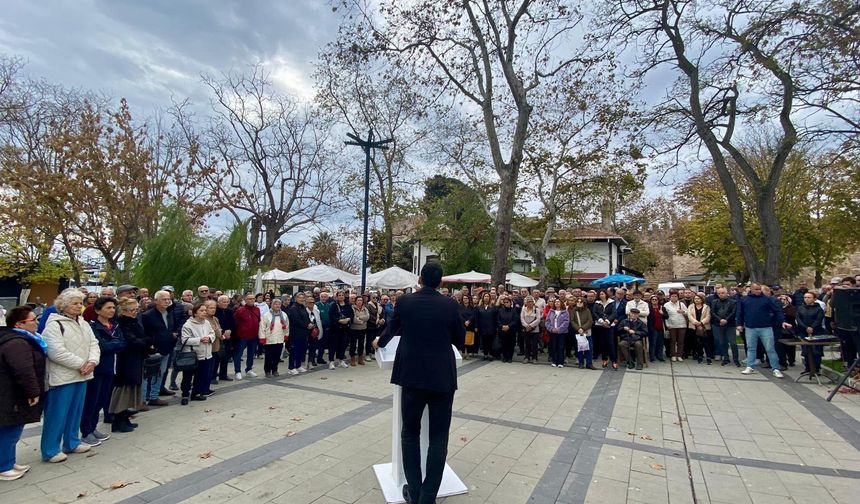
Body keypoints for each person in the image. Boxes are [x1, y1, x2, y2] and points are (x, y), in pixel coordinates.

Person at [372, 262, 465, 504]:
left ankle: (414, 491)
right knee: (439, 436)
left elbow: (392, 329)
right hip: (442, 376)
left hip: (412, 374)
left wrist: (379, 342)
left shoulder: (405, 302)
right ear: (441, 282)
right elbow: (459, 339)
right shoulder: (450, 305)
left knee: (410, 432)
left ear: (420, 280)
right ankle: (427, 497)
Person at [41, 289, 100, 462]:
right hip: (63, 377)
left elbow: (94, 343)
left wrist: (92, 361)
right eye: (74, 303)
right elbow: (56, 352)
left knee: (75, 412)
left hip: (82, 375)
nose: (78, 306)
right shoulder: (54, 325)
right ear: (64, 305)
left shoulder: (83, 323)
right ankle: (50, 450)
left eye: (80, 303)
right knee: (57, 414)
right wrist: (82, 364)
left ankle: (72, 442)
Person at [0, 306, 46, 481]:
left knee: (14, 427)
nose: (37, 323)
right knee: (9, 429)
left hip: (13, 392)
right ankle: (3, 466)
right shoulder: (17, 342)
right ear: (19, 324)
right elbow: (24, 370)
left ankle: (10, 461)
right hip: (12, 393)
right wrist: (33, 391)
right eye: (33, 320)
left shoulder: (23, 339)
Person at [81, 296, 125, 446]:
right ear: (98, 310)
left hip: (111, 368)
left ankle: (93, 428)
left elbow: (122, 343)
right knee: (91, 401)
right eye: (108, 308)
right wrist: (114, 344)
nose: (112, 310)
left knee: (102, 400)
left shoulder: (115, 325)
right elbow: (102, 346)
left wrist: (114, 344)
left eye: (113, 308)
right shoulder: (92, 327)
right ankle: (86, 431)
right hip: (98, 368)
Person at [110, 298, 150, 433]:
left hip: (136, 358)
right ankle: (118, 420)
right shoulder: (121, 324)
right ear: (123, 311)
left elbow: (142, 338)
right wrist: (146, 341)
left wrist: (145, 341)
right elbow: (133, 342)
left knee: (132, 388)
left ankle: (125, 418)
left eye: (136, 309)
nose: (135, 312)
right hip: (125, 361)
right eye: (132, 310)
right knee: (124, 390)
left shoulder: (134, 321)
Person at [737, 283, 788, 378]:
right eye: (756, 289)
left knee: (770, 349)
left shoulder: (767, 299)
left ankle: (775, 368)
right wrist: (739, 324)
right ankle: (750, 366)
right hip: (750, 327)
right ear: (751, 289)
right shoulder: (744, 300)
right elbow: (740, 312)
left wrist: (782, 321)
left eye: (759, 289)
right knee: (751, 348)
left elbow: (778, 310)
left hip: (766, 327)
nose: (759, 291)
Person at [140, 290, 175, 407]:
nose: (167, 301)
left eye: (168, 299)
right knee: (147, 375)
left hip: (166, 348)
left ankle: (154, 397)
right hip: (153, 350)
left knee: (160, 373)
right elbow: (144, 332)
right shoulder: (147, 316)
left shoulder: (169, 313)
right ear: (156, 301)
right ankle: (142, 399)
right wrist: (151, 343)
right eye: (164, 299)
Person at [178, 303, 215, 405]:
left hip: (206, 354)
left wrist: (209, 338)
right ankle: (185, 395)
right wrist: (199, 339)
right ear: (195, 313)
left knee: (200, 375)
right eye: (201, 311)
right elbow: (185, 340)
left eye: (205, 310)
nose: (204, 312)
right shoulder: (188, 325)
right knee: (187, 376)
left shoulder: (207, 323)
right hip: (192, 355)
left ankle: (196, 393)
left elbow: (212, 333)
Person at [795, 292, 826, 373]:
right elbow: (798, 319)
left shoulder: (818, 309)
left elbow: (819, 319)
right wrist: (806, 327)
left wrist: (812, 327)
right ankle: (807, 368)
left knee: (816, 351)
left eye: (809, 297)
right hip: (803, 331)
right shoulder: (801, 308)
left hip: (816, 331)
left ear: (814, 299)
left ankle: (816, 368)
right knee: (806, 350)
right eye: (805, 297)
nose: (806, 299)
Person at [233, 293, 261, 380]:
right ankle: (237, 371)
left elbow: (259, 320)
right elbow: (235, 322)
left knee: (251, 353)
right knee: (238, 354)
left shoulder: (257, 309)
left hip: (254, 336)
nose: (252, 300)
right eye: (250, 299)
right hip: (243, 336)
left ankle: (249, 369)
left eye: (253, 299)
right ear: (245, 300)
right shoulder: (240, 310)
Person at [710, 288, 739, 367]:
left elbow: (733, 312)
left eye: (722, 293)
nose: (721, 295)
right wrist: (720, 320)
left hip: (730, 325)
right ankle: (726, 359)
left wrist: (726, 320)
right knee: (722, 342)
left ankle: (736, 360)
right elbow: (713, 312)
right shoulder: (715, 302)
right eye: (719, 293)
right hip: (719, 324)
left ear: (727, 293)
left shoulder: (733, 302)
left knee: (733, 343)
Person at [259, 298, 289, 377]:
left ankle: (275, 370)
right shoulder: (266, 315)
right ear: (271, 305)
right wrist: (262, 338)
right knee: (268, 356)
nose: (277, 306)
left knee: (277, 356)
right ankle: (267, 371)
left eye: (279, 304)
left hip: (280, 338)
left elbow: (287, 326)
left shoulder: (284, 315)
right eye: (275, 304)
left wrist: (286, 335)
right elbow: (262, 327)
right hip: (269, 339)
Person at [287, 293, 313, 375]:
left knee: (301, 350)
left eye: (303, 298)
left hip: (304, 333)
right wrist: (306, 325)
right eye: (299, 298)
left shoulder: (303, 307)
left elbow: (307, 317)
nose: (301, 299)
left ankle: (298, 366)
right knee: (294, 351)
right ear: (295, 298)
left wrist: (310, 323)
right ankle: (291, 367)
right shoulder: (293, 308)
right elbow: (296, 320)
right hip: (295, 333)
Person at [328, 291, 353, 369]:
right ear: (337, 296)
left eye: (342, 295)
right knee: (333, 345)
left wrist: (348, 319)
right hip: (335, 329)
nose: (341, 296)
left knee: (342, 345)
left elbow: (352, 314)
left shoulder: (348, 305)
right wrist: (339, 320)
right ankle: (331, 361)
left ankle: (341, 360)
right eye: (339, 295)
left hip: (345, 329)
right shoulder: (333, 305)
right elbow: (331, 315)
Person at [213, 295, 235, 383]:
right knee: (217, 357)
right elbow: (215, 324)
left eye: (227, 302)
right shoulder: (215, 311)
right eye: (223, 302)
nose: (226, 304)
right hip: (218, 337)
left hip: (228, 336)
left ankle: (223, 374)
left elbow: (233, 323)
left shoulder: (229, 311)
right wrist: (223, 332)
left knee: (225, 357)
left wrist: (230, 330)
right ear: (218, 303)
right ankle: (213, 376)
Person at [569, 297, 595, 369]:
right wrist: (578, 328)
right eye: (578, 302)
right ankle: (581, 363)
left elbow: (590, 321)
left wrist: (583, 328)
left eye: (581, 302)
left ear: (584, 303)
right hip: (578, 332)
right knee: (580, 348)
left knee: (589, 347)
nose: (579, 303)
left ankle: (589, 363)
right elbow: (572, 321)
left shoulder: (587, 310)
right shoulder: (574, 311)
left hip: (587, 331)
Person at [687, 294, 712, 364]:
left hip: (704, 327)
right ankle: (700, 355)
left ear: (701, 300)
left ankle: (708, 357)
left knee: (706, 342)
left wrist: (701, 322)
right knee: (698, 342)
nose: (697, 300)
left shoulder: (706, 307)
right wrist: (695, 322)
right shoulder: (691, 306)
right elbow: (689, 315)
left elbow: (708, 316)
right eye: (695, 299)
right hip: (694, 326)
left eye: (698, 298)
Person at [663, 291, 688, 362]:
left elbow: (687, 312)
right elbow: (665, 316)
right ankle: (673, 355)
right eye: (672, 296)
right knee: (672, 341)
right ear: (670, 297)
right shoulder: (666, 305)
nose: (674, 298)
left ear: (678, 297)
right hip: (672, 325)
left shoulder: (681, 304)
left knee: (681, 341)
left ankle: (679, 355)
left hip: (682, 325)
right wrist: (667, 325)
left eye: (675, 296)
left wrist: (683, 312)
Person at [546, 298, 570, 368]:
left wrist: (559, 329)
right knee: (554, 346)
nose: (557, 303)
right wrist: (551, 328)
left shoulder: (565, 312)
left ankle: (561, 362)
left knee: (561, 347)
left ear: (561, 303)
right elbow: (547, 321)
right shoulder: (551, 311)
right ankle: (554, 361)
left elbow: (566, 322)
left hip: (561, 333)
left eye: (558, 302)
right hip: (553, 332)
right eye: (555, 302)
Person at [475, 293, 498, 361]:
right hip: (482, 327)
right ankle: (485, 354)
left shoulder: (493, 307)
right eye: (485, 296)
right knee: (484, 341)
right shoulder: (479, 307)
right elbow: (476, 318)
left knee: (490, 341)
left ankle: (490, 354)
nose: (486, 297)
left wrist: (496, 327)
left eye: (488, 296)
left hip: (491, 327)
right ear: (483, 298)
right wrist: (476, 326)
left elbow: (496, 318)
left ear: (490, 298)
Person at [496, 295, 519, 363]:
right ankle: (504, 356)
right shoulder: (500, 310)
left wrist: (509, 326)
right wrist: (502, 326)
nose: (506, 303)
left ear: (510, 303)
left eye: (507, 302)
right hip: (503, 330)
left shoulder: (514, 311)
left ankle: (510, 357)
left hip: (511, 330)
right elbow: (498, 320)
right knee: (504, 344)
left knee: (511, 344)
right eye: (505, 302)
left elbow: (515, 320)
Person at [348, 296, 370, 366]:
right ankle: (352, 359)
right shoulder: (352, 308)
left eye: (361, 300)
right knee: (353, 344)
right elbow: (354, 318)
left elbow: (367, 317)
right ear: (355, 301)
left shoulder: (365, 309)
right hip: (354, 329)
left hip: (363, 329)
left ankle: (360, 358)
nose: (359, 302)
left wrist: (359, 317)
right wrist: (361, 321)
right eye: (358, 300)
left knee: (361, 344)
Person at [520, 296, 541, 364]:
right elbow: (522, 318)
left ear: (533, 302)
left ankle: (534, 358)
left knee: (534, 344)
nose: (530, 303)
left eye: (531, 301)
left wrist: (531, 325)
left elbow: (538, 319)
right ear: (526, 302)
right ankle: (527, 357)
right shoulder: (524, 309)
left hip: (535, 330)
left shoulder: (536, 309)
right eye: (528, 302)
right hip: (526, 329)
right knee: (527, 344)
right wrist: (526, 326)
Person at [304, 295, 323, 369]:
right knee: (304, 348)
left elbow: (319, 321)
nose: (311, 304)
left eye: (313, 302)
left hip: (314, 332)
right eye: (309, 302)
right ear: (306, 303)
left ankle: (310, 362)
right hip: (306, 332)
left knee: (313, 348)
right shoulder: (304, 311)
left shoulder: (316, 311)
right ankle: (303, 363)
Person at [314, 292, 332, 366]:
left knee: (323, 344)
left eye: (325, 297)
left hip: (327, 328)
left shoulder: (329, 305)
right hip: (318, 328)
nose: (324, 298)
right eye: (322, 297)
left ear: (327, 298)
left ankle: (320, 358)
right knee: (316, 344)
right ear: (320, 297)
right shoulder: (316, 305)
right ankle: (312, 360)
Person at [646, 295, 666, 362]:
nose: (654, 301)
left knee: (660, 343)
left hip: (660, 327)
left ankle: (660, 356)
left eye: (656, 299)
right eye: (653, 299)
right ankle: (652, 357)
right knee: (653, 343)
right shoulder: (649, 308)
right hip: (652, 328)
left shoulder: (662, 308)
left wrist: (662, 314)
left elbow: (667, 316)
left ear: (658, 300)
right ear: (651, 301)